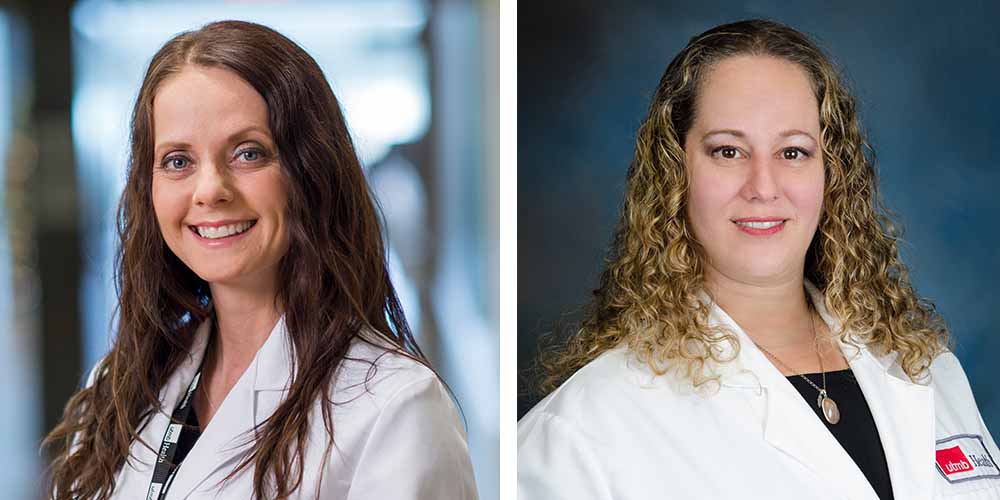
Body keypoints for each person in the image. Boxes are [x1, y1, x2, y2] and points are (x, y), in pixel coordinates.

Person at [518, 19, 999, 500]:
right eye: (728, 151)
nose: (763, 187)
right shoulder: (581, 435)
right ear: (674, 172)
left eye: (793, 152)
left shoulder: (926, 373)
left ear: (831, 173)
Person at [42, 20, 477, 500]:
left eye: (248, 153)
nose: (210, 190)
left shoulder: (395, 409)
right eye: (178, 161)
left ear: (311, 172)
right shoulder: (119, 391)